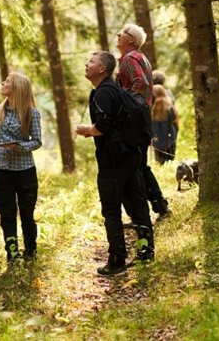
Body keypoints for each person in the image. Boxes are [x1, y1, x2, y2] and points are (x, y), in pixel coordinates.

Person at [76, 51, 154, 276]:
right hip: (130, 154)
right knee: (137, 203)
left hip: (113, 158)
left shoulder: (103, 93)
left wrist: (87, 130)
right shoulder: (115, 90)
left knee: (111, 209)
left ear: (102, 69)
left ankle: (117, 260)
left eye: (91, 62)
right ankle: (146, 251)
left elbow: (103, 125)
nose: (86, 64)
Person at [0, 73, 43, 263]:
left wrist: (18, 147)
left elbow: (37, 142)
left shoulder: (32, 113)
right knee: (6, 213)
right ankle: (12, 254)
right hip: (2, 170)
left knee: (26, 214)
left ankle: (31, 251)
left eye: (7, 81)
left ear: (17, 87)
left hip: (25, 171)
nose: (3, 83)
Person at [114, 24, 170, 217]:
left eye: (122, 33)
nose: (118, 35)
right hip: (141, 118)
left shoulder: (129, 59)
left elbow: (141, 83)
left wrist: (124, 100)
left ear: (131, 40)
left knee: (136, 166)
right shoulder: (140, 57)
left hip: (134, 120)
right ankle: (158, 205)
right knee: (140, 165)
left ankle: (154, 207)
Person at [150, 85, 178, 165]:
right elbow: (175, 119)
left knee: (159, 162)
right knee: (170, 160)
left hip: (156, 139)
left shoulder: (151, 107)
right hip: (170, 137)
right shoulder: (169, 106)